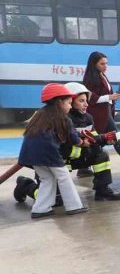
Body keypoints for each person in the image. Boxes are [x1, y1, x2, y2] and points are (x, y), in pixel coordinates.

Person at [16, 84, 89, 218]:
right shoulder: (63, 118)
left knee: (47, 179)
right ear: (59, 102)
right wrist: (83, 142)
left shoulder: (40, 114)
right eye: (68, 103)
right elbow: (74, 138)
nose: (70, 106)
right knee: (64, 177)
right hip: (48, 152)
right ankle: (74, 206)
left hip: (30, 153)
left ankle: (40, 209)